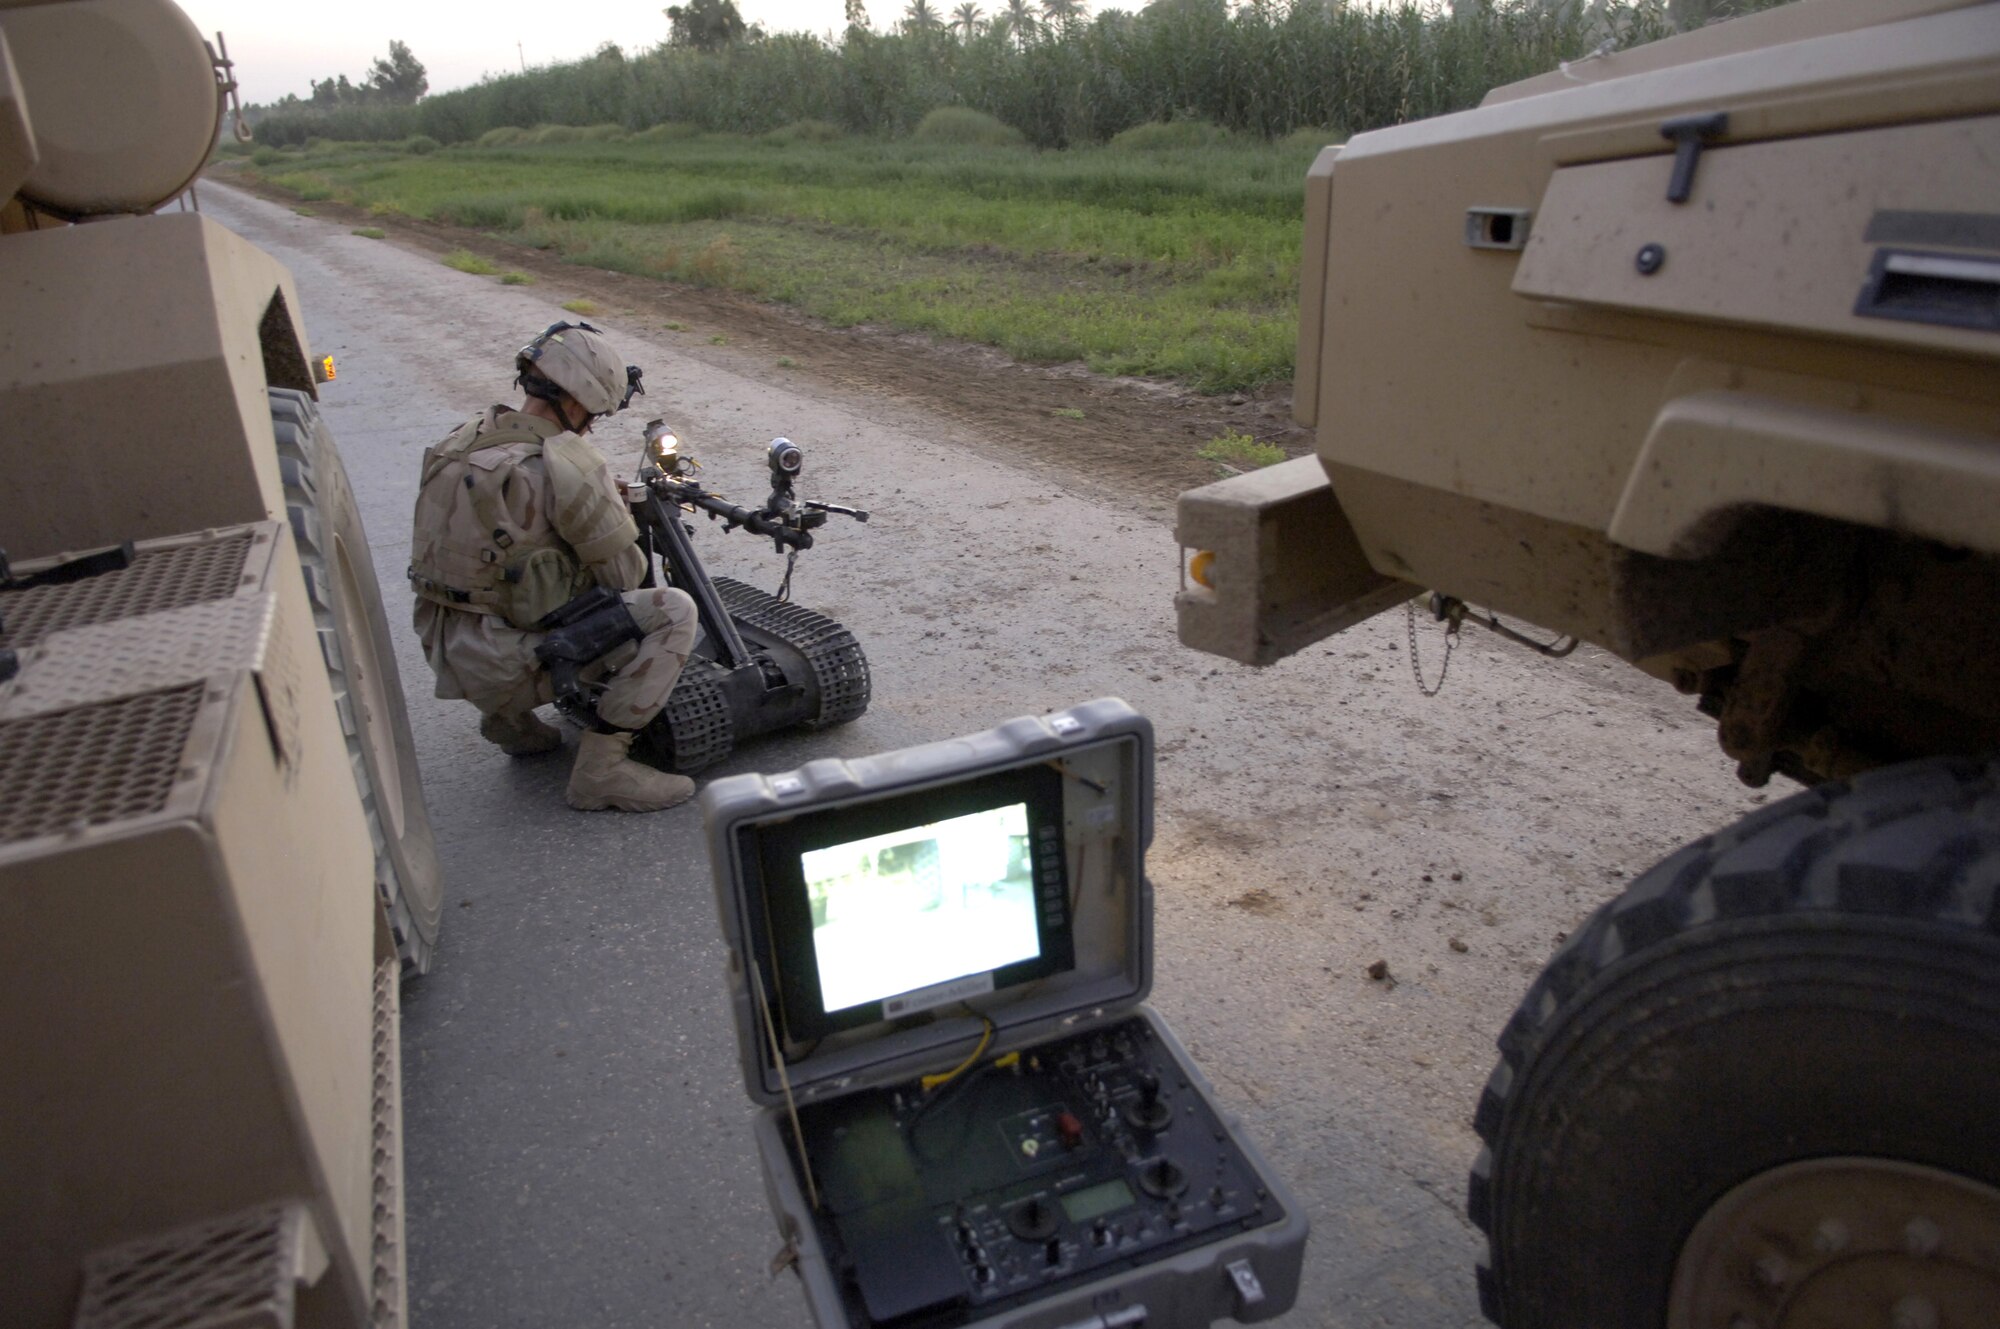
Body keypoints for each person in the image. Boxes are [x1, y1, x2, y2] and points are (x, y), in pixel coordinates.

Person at [408, 321, 700, 812]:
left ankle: (510, 725)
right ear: (579, 401)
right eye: (595, 416)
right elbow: (625, 576)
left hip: (444, 644)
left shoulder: (461, 441)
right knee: (672, 613)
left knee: (502, 581)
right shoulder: (565, 463)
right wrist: (614, 514)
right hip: (504, 662)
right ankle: (600, 772)